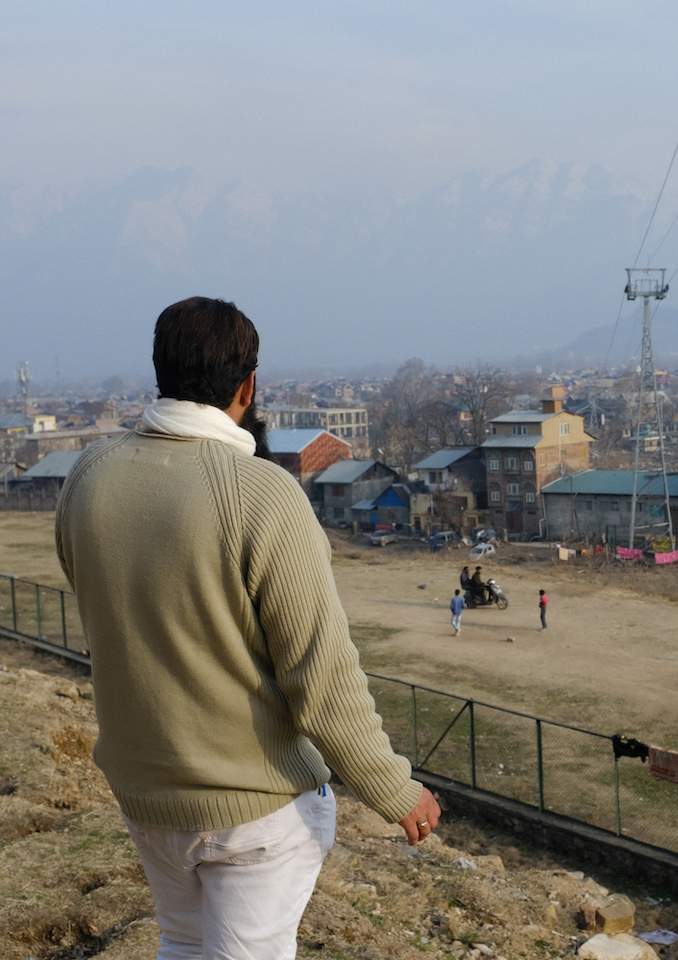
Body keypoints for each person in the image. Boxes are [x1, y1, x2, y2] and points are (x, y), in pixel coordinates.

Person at [55, 297, 440, 960]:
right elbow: (321, 676)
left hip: (147, 793)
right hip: (256, 808)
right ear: (247, 385)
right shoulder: (261, 494)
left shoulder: (89, 477)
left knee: (182, 942)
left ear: (160, 370)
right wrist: (392, 787)